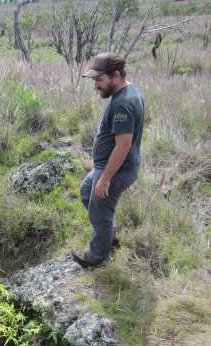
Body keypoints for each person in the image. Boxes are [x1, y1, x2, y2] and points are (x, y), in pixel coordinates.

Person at [71, 53, 145, 268]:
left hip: (117, 169)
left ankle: (97, 257)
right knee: (87, 192)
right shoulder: (128, 91)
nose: (96, 86)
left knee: (100, 209)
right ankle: (109, 236)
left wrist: (105, 179)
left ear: (115, 75)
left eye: (99, 80)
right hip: (109, 167)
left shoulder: (124, 103)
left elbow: (123, 146)